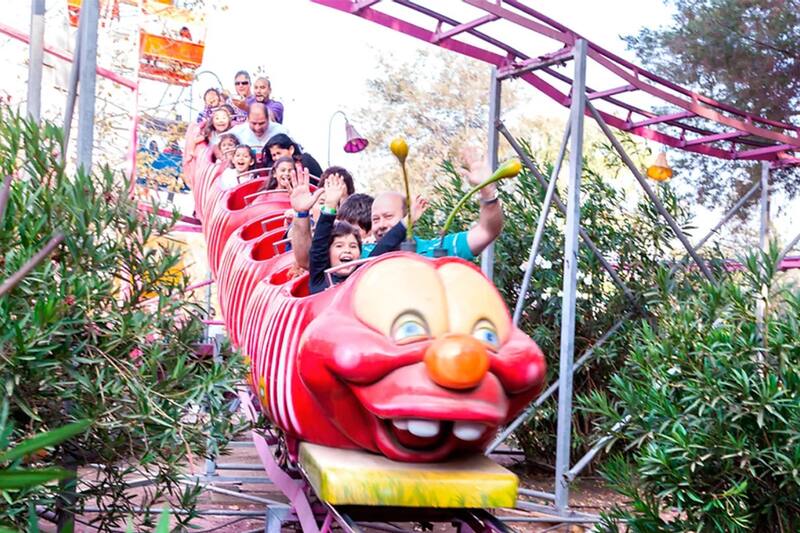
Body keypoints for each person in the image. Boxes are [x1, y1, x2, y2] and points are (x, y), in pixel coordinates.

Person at [365, 147, 502, 259]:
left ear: (409, 216)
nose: (381, 225)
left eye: (388, 216)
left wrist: (487, 189)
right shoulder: (360, 254)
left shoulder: (437, 248)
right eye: (375, 219)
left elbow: (487, 231)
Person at [308, 175, 424, 295]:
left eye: (353, 246)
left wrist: (407, 221)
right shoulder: (319, 279)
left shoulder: (360, 276)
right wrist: (330, 206)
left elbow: (384, 246)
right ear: (328, 252)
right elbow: (318, 245)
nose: (347, 250)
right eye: (339, 246)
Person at [289, 166, 356, 270]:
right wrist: (301, 213)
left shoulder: (357, 231)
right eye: (322, 202)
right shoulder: (306, 226)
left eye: (337, 200)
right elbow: (306, 261)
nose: (330, 205)